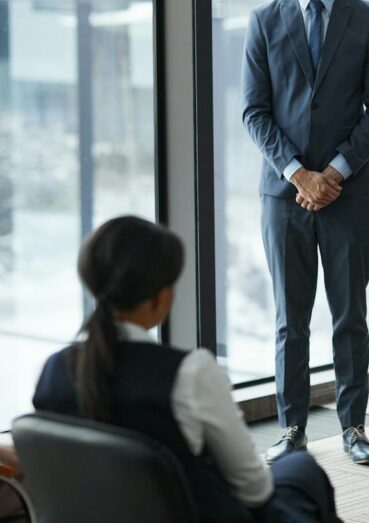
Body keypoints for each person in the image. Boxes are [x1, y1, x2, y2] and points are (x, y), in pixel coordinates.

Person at [31, 216, 342, 522]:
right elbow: (255, 491)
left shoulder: (53, 370)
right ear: (162, 296)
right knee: (301, 468)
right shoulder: (189, 374)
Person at [241, 0, 369, 465]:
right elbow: (254, 112)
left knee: (350, 314)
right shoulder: (263, 20)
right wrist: (297, 173)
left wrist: (333, 172)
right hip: (283, 197)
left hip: (348, 194)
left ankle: (354, 427)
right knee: (291, 319)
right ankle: (292, 432)